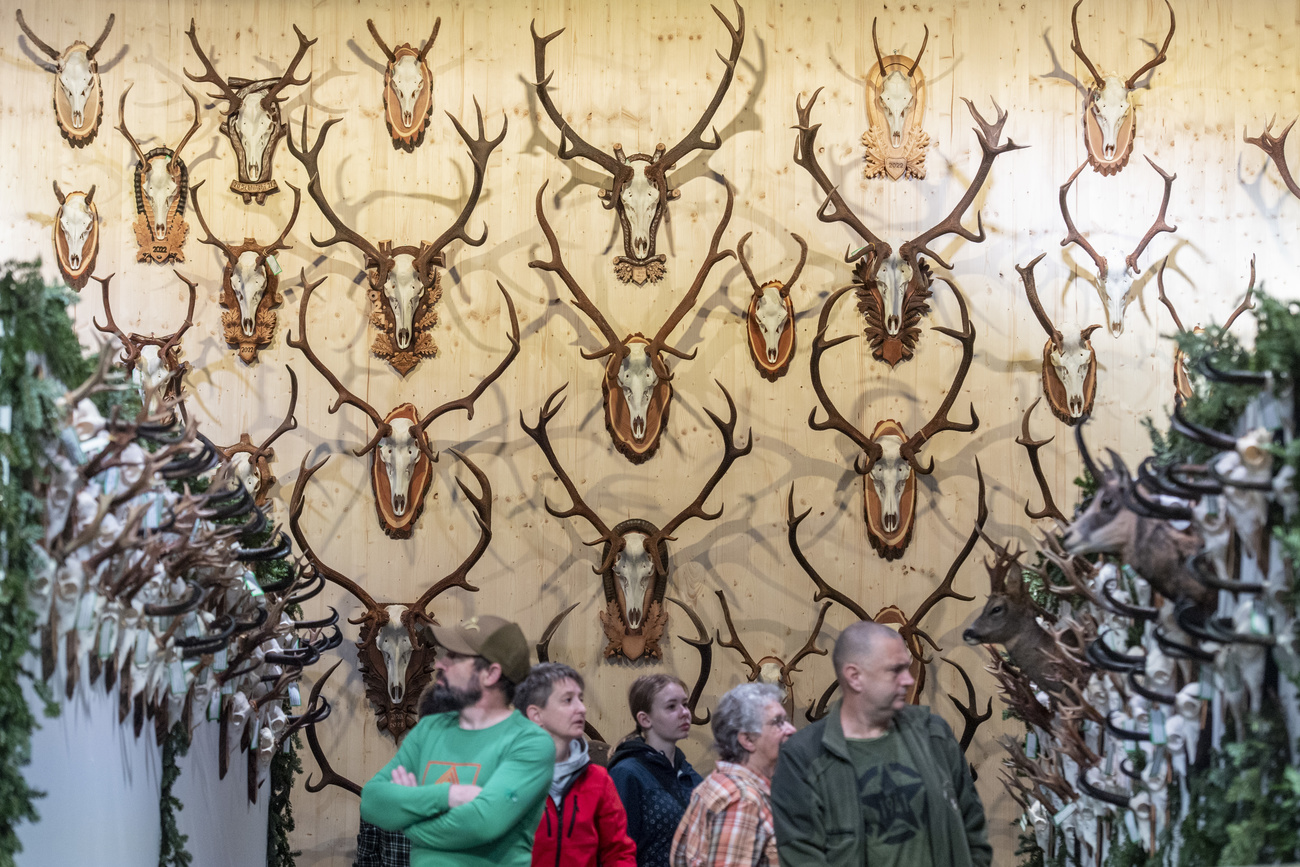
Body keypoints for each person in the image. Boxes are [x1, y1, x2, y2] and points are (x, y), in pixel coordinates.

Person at [771, 621, 991, 867]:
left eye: (907, 668)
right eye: (895, 670)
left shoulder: (934, 735)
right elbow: (801, 857)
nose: (908, 680)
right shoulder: (801, 758)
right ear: (855, 677)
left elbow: (973, 831)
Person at [359, 615, 556, 867]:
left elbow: (482, 824)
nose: (441, 664)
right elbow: (373, 801)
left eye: (454, 656)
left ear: (490, 673)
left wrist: (406, 818)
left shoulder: (530, 742)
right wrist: (448, 794)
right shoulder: (429, 729)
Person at [514, 662, 637, 867]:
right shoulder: (503, 777)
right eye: (568, 700)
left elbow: (618, 853)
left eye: (580, 699)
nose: (582, 709)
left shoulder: (598, 780)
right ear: (536, 715)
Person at [670, 682, 796, 867]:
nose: (791, 729)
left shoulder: (718, 781)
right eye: (778, 722)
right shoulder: (744, 801)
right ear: (747, 739)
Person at [608, 674, 703, 867]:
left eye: (685, 704)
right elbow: (616, 852)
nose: (684, 712)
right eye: (671, 706)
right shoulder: (627, 774)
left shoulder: (688, 773)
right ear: (645, 719)